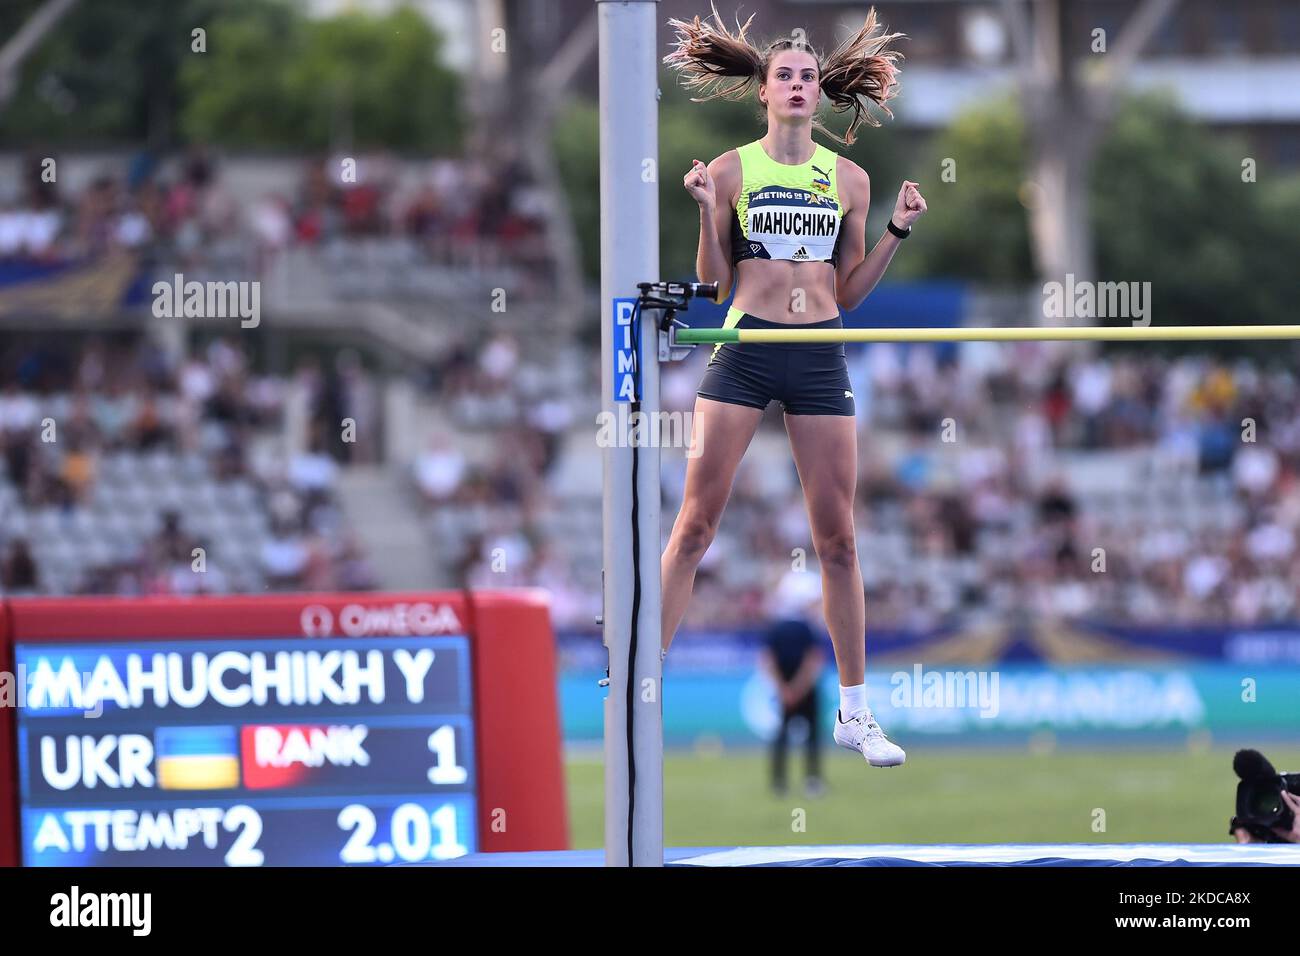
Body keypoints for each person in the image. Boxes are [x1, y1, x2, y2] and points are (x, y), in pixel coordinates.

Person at [660, 5, 924, 769]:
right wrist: (709, 214)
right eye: (786, 76)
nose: (799, 85)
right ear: (765, 92)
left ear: (821, 90)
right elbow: (712, 287)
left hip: (819, 351)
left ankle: (854, 712)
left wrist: (897, 233)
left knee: (838, 540)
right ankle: (646, 672)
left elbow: (849, 292)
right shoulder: (733, 169)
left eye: (808, 76)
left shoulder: (850, 178)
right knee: (696, 525)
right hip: (744, 344)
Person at [760, 572, 828, 796]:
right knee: (813, 736)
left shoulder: (775, 628)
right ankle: (813, 780)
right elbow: (813, 661)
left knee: (781, 735)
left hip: (786, 691)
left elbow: (767, 661)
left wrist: (783, 689)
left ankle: (779, 782)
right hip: (805, 689)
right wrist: (799, 688)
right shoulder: (807, 628)